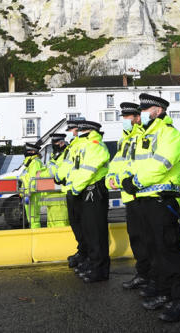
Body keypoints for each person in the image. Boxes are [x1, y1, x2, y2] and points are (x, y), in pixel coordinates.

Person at [121, 93, 180, 323]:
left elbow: (160, 165)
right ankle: (164, 292)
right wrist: (127, 180)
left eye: (145, 108)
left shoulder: (170, 134)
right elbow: (134, 164)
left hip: (162, 201)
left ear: (158, 111)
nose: (141, 112)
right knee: (154, 251)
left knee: (168, 252)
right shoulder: (145, 135)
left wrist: (136, 182)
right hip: (145, 200)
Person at [107, 102, 152, 291]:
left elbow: (139, 165)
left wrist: (127, 181)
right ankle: (142, 274)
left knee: (147, 239)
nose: (125, 121)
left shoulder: (140, 136)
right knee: (136, 238)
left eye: (128, 117)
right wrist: (111, 178)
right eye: (123, 117)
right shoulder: (125, 138)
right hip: (129, 195)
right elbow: (117, 163)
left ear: (137, 118)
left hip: (140, 193)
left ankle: (151, 277)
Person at [66, 120, 111, 282]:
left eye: (81, 130)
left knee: (96, 233)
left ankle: (100, 270)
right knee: (90, 232)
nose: (77, 132)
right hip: (85, 191)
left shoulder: (95, 145)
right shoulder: (84, 146)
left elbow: (88, 171)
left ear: (89, 131)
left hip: (94, 192)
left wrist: (76, 188)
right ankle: (93, 264)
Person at [53, 119, 87, 270]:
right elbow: (67, 166)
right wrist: (60, 177)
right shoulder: (72, 146)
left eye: (74, 129)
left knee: (83, 226)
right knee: (77, 225)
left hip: (78, 190)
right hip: (70, 189)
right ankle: (83, 252)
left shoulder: (81, 146)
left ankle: (86, 255)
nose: (72, 133)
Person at [40, 133, 69, 227]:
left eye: (55, 142)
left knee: (60, 224)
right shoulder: (56, 154)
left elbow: (54, 172)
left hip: (59, 198)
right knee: (52, 225)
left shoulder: (65, 155)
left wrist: (40, 175)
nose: (53, 145)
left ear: (61, 143)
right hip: (53, 197)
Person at [18, 142, 45, 229]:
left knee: (34, 219)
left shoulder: (35, 162)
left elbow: (34, 180)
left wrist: (28, 194)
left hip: (32, 195)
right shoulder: (30, 162)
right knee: (31, 218)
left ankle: (36, 236)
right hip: (28, 194)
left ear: (32, 152)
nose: (25, 153)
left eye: (27, 151)